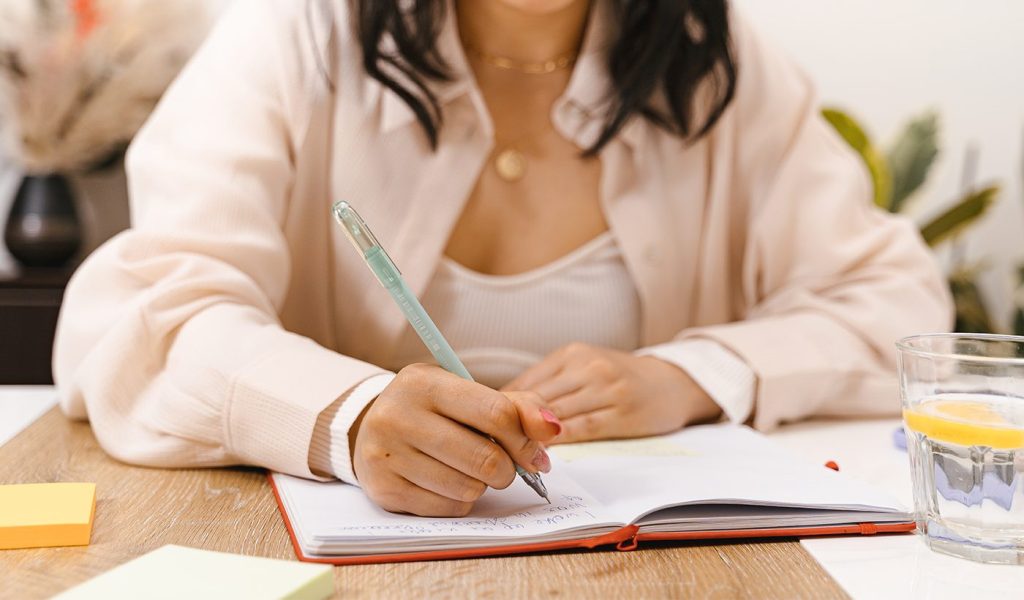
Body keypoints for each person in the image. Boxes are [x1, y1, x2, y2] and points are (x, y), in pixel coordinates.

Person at [52, 0, 952, 517]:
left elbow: (894, 302)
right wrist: (352, 416)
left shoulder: (710, 62)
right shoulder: (297, 34)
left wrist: (692, 374)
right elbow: (147, 315)